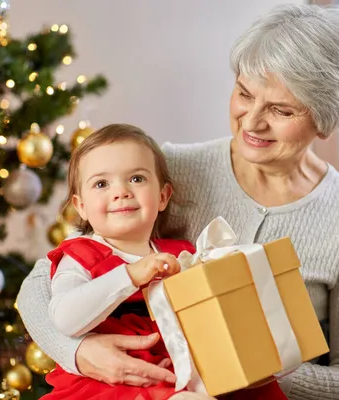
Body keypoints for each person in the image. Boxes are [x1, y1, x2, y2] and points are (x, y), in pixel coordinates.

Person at [17, 4, 339, 400]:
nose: (251, 122)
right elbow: (39, 286)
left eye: (280, 110)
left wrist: (261, 367)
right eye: (245, 93)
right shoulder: (167, 170)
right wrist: (79, 353)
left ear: (327, 119)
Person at [37, 124, 286, 400]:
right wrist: (129, 276)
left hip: (182, 373)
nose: (121, 191)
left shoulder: (182, 254)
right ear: (80, 206)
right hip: (113, 385)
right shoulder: (80, 256)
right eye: (101, 184)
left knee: (260, 390)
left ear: (163, 197)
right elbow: (64, 318)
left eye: (136, 179)